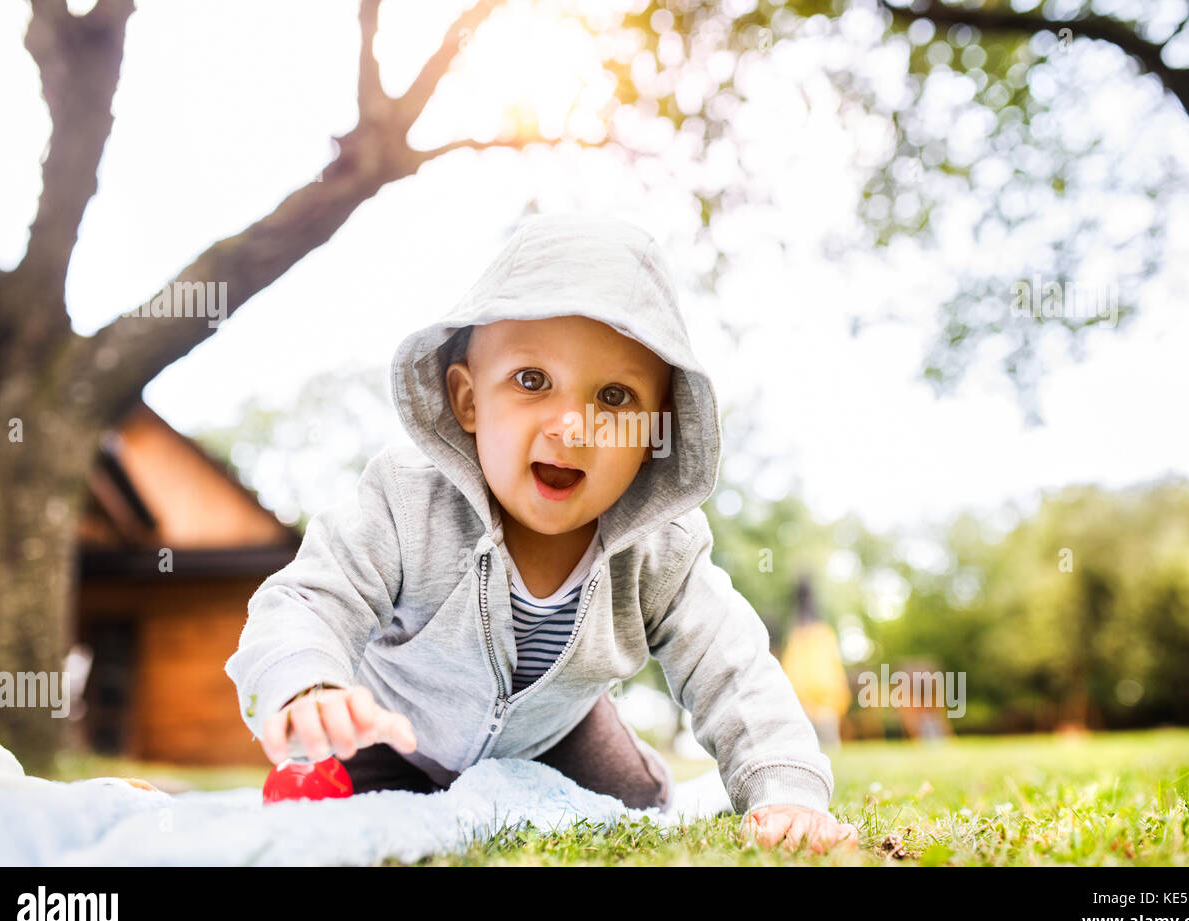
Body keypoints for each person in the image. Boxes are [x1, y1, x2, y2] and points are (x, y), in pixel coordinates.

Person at [224, 213, 858, 854]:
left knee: (638, 807)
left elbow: (734, 669)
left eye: (614, 397)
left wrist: (786, 792)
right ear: (469, 400)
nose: (573, 428)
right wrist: (309, 682)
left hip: (560, 735)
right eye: (532, 381)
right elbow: (308, 600)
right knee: (328, 822)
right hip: (396, 727)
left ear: (653, 431)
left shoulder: (661, 550)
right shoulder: (405, 501)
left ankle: (648, 776)